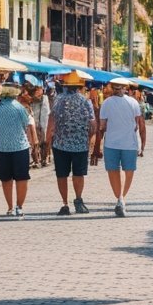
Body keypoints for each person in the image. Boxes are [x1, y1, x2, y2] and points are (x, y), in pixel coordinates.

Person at [47, 70, 95, 215]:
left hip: (60, 144)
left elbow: (52, 120)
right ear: (80, 86)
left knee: (62, 174)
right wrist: (90, 139)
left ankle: (65, 203)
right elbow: (93, 124)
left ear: (65, 86)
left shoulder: (58, 100)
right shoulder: (86, 102)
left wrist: (48, 139)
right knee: (78, 174)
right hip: (80, 144)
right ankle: (79, 200)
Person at [95, 77, 146, 217]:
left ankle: (119, 199)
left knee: (113, 171)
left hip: (111, 143)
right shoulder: (133, 102)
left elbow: (102, 126)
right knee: (128, 171)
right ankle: (121, 199)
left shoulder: (106, 103)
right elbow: (139, 124)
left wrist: (97, 146)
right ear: (125, 89)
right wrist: (142, 144)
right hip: (129, 143)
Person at [0, 83, 37, 217]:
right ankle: (19, 206)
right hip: (20, 146)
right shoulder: (20, 108)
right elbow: (25, 124)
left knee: (6, 179)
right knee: (22, 178)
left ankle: (10, 207)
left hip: (2, 147)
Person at [29, 83, 51, 167]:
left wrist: (42, 125)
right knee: (34, 140)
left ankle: (44, 158)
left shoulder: (44, 98)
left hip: (43, 122)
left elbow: (46, 113)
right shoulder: (31, 99)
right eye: (36, 90)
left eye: (39, 89)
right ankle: (36, 160)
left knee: (44, 140)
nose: (38, 91)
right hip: (34, 121)